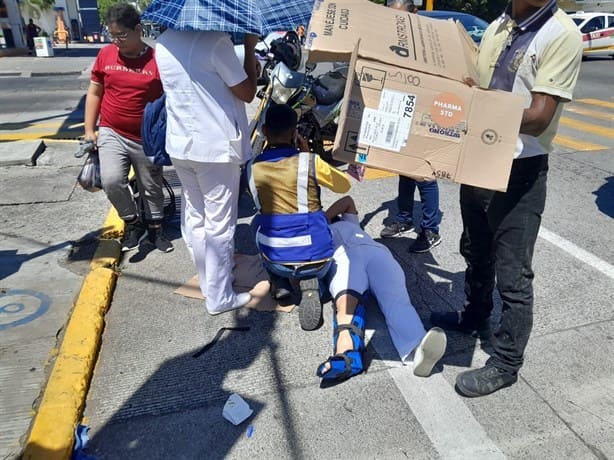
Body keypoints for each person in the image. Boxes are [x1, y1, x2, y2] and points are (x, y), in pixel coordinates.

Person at [431, 0, 583, 397]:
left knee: (513, 274)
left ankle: (505, 362)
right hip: (480, 157)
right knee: (474, 250)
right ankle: (475, 316)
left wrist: (473, 108)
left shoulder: (561, 33)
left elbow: (538, 115)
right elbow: (479, 86)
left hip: (521, 169)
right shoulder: (500, 24)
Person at [155, 29, 258, 315]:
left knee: (196, 217)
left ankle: (208, 280)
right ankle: (219, 295)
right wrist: (249, 50)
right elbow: (247, 92)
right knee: (220, 225)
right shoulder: (216, 43)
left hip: (180, 144)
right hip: (214, 148)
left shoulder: (163, 42)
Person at [317, 195, 447, 381]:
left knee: (397, 300)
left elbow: (347, 201)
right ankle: (346, 356)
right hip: (342, 260)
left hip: (375, 253)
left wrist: (324, 216)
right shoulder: (317, 233)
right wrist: (318, 224)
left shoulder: (350, 222)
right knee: (346, 303)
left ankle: (419, 350)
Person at [246, 103, 351, 330]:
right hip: (317, 256)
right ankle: (315, 285)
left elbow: (259, 204)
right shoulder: (309, 162)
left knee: (257, 223)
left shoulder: (252, 168)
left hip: (276, 258)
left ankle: (279, 280)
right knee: (317, 228)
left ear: (264, 131)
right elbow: (344, 186)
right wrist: (308, 155)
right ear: (295, 133)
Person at [84, 4, 173, 254]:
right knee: (111, 181)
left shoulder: (158, 60)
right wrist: (90, 129)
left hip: (147, 137)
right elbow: (95, 92)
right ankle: (133, 223)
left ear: (138, 29)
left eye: (121, 35)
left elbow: (172, 99)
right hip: (112, 130)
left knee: (151, 187)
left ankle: (156, 230)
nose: (116, 41)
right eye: (112, 35)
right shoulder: (106, 55)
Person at [381, 0, 442, 253]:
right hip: (402, 112)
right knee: (404, 171)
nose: (397, 22)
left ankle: (430, 230)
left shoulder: (428, 41)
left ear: (414, 13)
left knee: (425, 175)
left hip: (425, 116)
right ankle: (404, 219)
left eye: (401, 17)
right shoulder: (397, 41)